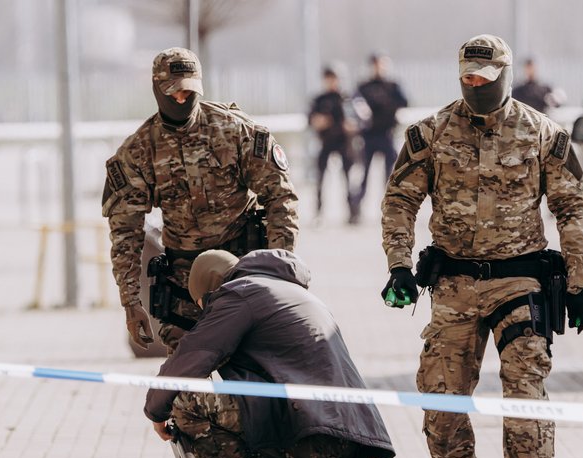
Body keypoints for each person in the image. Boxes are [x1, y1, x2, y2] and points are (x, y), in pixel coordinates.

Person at [380, 34, 583, 458]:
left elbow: (572, 208)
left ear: (505, 74)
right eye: (468, 76)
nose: (475, 84)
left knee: (525, 396)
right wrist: (399, 267)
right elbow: (399, 202)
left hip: (520, 282)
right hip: (453, 283)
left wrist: (582, 281)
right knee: (441, 399)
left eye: (485, 76)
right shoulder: (430, 133)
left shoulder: (542, 133)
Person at [144, 249, 395, 458]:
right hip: (348, 436)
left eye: (204, 305)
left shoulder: (238, 294)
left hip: (306, 431)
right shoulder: (294, 293)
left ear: (212, 288)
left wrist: (156, 410)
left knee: (185, 401)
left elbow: (190, 359)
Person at [101, 48, 299, 351]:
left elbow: (280, 197)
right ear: (157, 88)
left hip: (244, 267)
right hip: (183, 282)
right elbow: (125, 232)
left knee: (255, 370)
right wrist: (131, 303)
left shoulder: (235, 131)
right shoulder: (139, 151)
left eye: (188, 92)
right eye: (173, 92)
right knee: (188, 375)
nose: (181, 99)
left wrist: (280, 269)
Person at [354, 52, 408, 212]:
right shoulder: (364, 87)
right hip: (369, 136)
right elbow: (356, 106)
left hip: (387, 134)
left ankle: (391, 207)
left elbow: (404, 102)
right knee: (364, 175)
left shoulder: (392, 86)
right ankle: (355, 209)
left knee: (390, 175)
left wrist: (382, 105)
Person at [309, 67, 359, 223]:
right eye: (328, 78)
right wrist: (318, 122)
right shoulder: (319, 99)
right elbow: (311, 120)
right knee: (320, 179)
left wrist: (352, 125)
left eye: (334, 78)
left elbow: (360, 119)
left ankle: (353, 212)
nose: (331, 82)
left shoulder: (347, 99)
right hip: (326, 142)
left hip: (344, 143)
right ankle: (318, 212)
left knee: (349, 178)